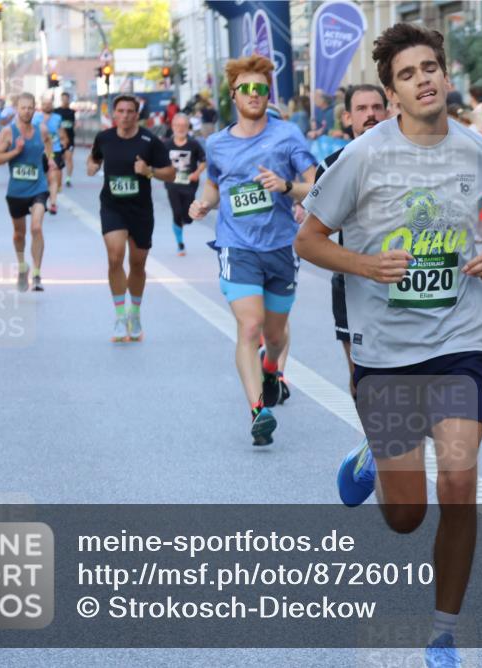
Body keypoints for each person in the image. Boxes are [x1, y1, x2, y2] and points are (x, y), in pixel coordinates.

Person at [294, 23, 482, 668]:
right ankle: (375, 460)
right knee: (406, 515)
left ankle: (443, 632)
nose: (424, 78)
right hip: (386, 353)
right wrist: (364, 265)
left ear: (446, 76)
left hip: (458, 340)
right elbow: (309, 240)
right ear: (391, 93)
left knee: (459, 483)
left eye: (431, 67)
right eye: (408, 73)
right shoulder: (363, 157)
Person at [188, 55, 317, 446]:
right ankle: (258, 411)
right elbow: (214, 183)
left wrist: (286, 187)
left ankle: (271, 366)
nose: (254, 94)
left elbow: (313, 184)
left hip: (279, 246)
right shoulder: (217, 143)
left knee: (275, 334)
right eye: (247, 88)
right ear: (234, 95)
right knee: (249, 326)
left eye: (261, 88)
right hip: (236, 246)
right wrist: (204, 203)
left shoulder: (287, 135)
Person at [313, 84, 388, 398]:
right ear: (347, 117)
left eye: (376, 107)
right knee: (362, 376)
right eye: (361, 109)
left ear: (388, 111)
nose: (370, 114)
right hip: (353, 283)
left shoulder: (411, 159)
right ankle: (374, 442)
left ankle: (390, 442)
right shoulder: (333, 166)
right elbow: (315, 234)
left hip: (405, 280)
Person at [87, 95, 175, 342]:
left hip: (140, 210)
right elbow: (94, 157)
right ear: (114, 114)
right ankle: (119, 316)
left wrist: (149, 171)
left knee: (138, 263)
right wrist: (92, 166)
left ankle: (134, 313)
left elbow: (170, 173)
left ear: (137, 115)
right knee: (115, 257)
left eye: (130, 111)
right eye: (120, 111)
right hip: (112, 206)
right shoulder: (104, 138)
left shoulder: (150, 141)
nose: (125, 116)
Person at [0, 92, 57, 292]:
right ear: (16, 109)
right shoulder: (8, 133)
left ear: (34, 109)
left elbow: (48, 144)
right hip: (17, 190)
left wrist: (51, 158)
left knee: (36, 228)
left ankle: (37, 273)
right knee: (19, 234)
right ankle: (22, 266)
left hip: (38, 187)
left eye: (30, 107)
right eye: (23, 107)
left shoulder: (42, 130)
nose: (27, 111)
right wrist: (15, 152)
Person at [164, 113, 207, 255]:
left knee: (188, 218)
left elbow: (204, 161)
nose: (181, 128)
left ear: (188, 127)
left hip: (190, 185)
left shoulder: (193, 144)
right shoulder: (167, 145)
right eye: (178, 125)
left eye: (184, 126)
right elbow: (159, 162)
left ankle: (184, 221)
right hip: (172, 184)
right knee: (176, 213)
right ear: (173, 126)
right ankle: (180, 244)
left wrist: (196, 173)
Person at [33, 97, 68, 215]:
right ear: (41, 105)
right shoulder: (36, 118)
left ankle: (53, 204)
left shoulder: (57, 118)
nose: (47, 106)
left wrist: (64, 141)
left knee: (53, 178)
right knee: (41, 178)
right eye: (45, 104)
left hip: (55, 150)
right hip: (39, 151)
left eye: (49, 104)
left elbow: (62, 132)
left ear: (52, 105)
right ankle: (40, 201)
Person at [54, 92, 77, 187]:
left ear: (69, 100)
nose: (65, 100)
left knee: (69, 158)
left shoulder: (72, 112)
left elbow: (74, 124)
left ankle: (68, 179)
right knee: (59, 160)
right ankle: (57, 178)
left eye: (66, 99)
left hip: (70, 139)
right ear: (61, 99)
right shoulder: (56, 111)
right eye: (63, 98)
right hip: (58, 140)